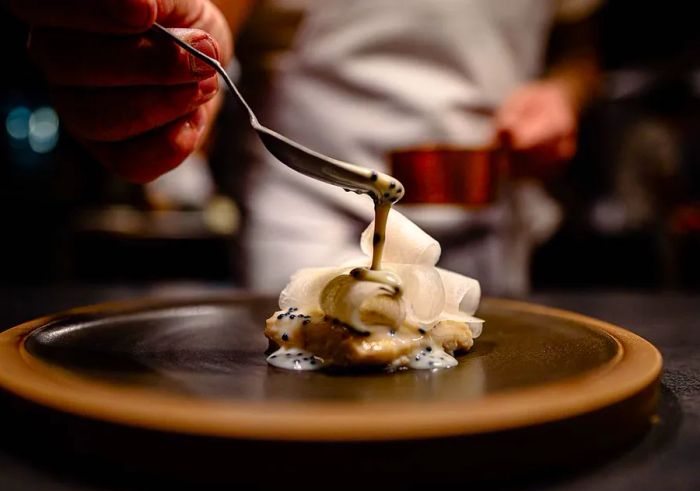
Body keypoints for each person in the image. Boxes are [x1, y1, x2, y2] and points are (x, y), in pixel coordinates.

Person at [10, 0, 601, 294]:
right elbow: (220, 14)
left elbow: (580, 42)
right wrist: (184, 63)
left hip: (493, 208)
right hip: (309, 209)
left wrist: (563, 95)